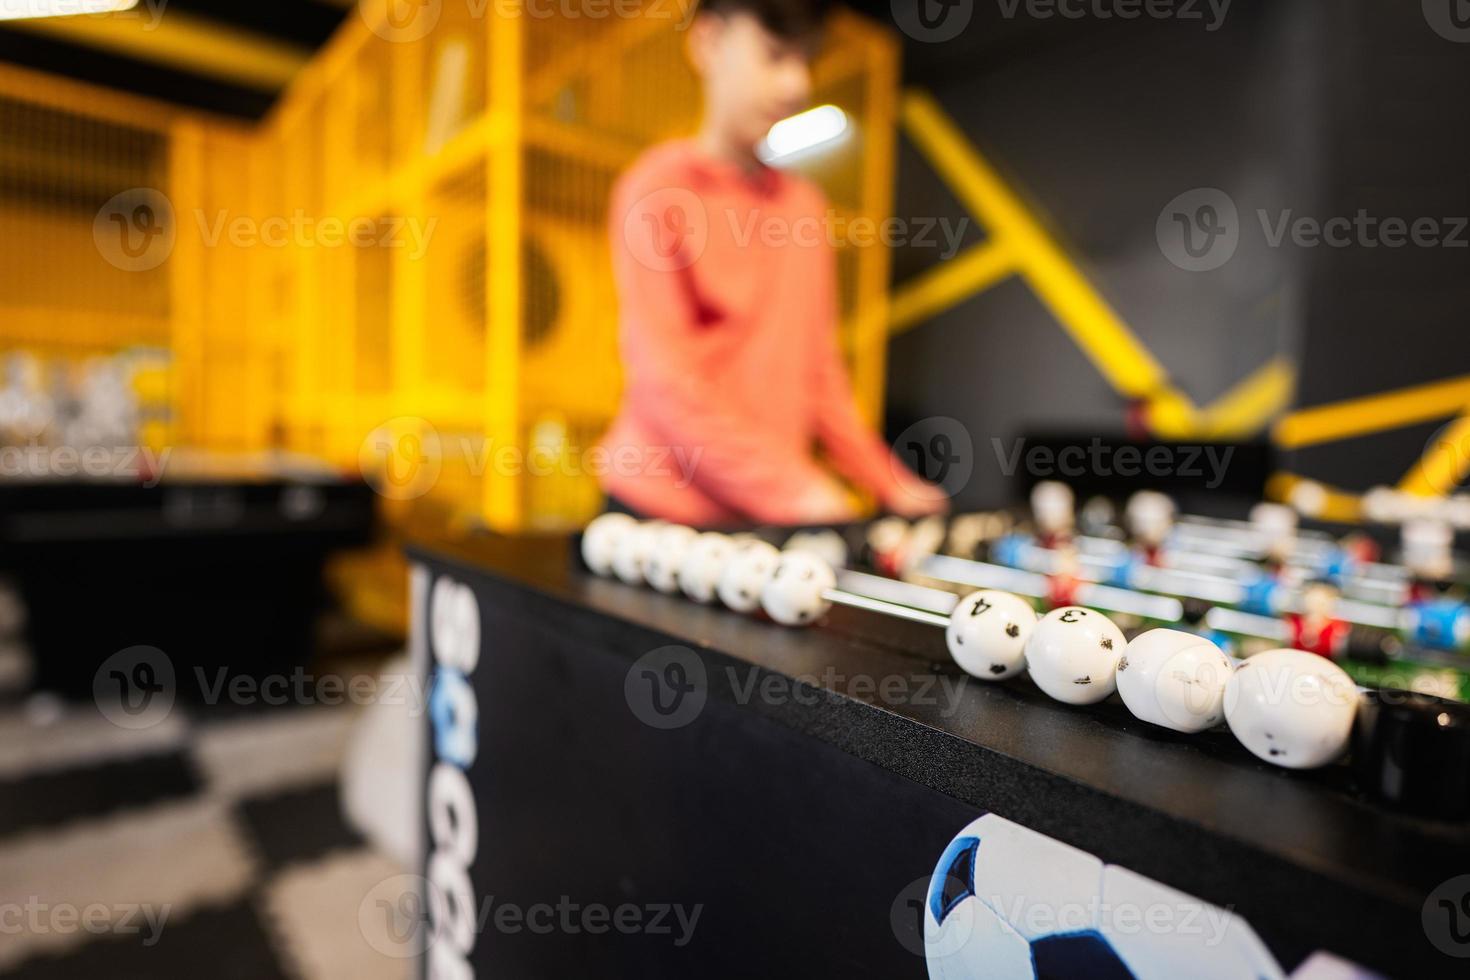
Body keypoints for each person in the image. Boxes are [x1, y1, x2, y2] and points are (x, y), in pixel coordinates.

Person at [598, 0, 946, 527]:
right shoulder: (655, 190)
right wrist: (794, 489)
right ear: (709, 43)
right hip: (657, 512)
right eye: (775, 55)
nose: (797, 84)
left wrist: (886, 480)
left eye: (805, 60)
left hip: (762, 517)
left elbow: (820, 372)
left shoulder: (803, 206)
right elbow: (664, 377)